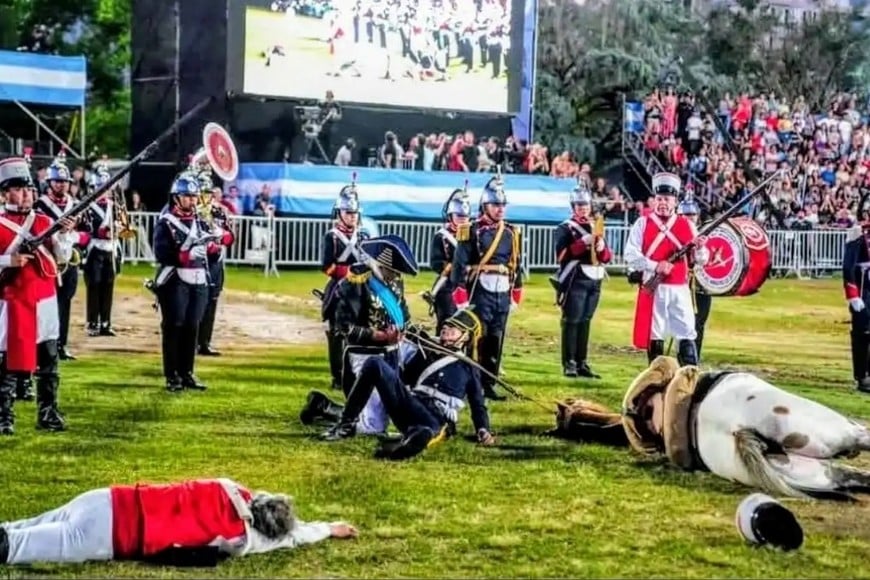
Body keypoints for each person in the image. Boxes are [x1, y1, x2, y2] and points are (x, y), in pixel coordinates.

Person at [562, 356, 870, 501]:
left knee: (842, 461)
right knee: (849, 441)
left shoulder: (657, 432)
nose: (654, 422)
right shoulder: (677, 410)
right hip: (729, 401)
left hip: (708, 444)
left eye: (652, 413)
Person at [0, 477, 358, 566]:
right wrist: (328, 528)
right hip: (112, 535)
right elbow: (290, 538)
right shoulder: (241, 537)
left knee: (22, 526)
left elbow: (258, 499)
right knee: (15, 547)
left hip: (109, 498)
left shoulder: (228, 486)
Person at [307, 308, 496, 458]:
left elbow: (478, 405)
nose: (445, 331)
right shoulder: (425, 350)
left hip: (435, 415)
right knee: (375, 364)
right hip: (409, 403)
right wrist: (395, 343)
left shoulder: (469, 367)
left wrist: (483, 429)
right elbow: (398, 374)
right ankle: (345, 424)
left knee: (426, 429)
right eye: (445, 328)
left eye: (452, 330)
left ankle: (405, 445)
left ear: (465, 337)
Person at [0, 157, 76, 435]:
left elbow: (63, 257)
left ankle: (48, 412)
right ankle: (3, 416)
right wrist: (10, 261)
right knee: (6, 362)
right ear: (4, 193)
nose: (26, 195)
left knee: (49, 360)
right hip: (12, 301)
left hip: (44, 300)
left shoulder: (43, 221)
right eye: (19, 189)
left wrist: (65, 234)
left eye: (29, 189)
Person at [319, 234, 417, 438]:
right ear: (379, 264)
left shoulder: (396, 278)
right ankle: (324, 409)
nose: (394, 276)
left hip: (392, 351)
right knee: (373, 428)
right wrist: (379, 336)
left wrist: (405, 329)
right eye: (391, 270)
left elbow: (402, 308)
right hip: (364, 353)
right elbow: (343, 327)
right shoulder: (358, 279)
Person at [450, 175, 523, 400]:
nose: (500, 209)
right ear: (485, 206)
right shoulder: (470, 230)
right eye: (495, 205)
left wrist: (516, 293)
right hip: (479, 290)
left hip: (502, 290)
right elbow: (459, 264)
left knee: (495, 339)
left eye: (503, 205)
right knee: (475, 338)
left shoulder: (511, 232)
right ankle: (469, 382)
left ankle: (488, 383)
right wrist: (460, 293)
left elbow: (516, 264)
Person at [152, 173, 227, 392]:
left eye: (194, 196)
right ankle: (172, 375)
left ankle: (187, 373)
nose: (192, 200)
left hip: (199, 279)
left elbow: (210, 255)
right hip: (175, 279)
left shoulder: (201, 221)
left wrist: (215, 248)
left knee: (192, 327)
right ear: (176, 198)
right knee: (174, 326)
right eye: (187, 196)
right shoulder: (166, 222)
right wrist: (181, 255)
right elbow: (161, 252)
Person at [624, 172, 709, 365]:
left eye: (667, 199)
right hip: (655, 288)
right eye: (659, 198)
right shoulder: (642, 223)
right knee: (655, 333)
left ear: (675, 201)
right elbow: (630, 254)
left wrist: (701, 248)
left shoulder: (687, 224)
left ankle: (689, 376)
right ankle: (657, 379)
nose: (662, 203)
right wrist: (655, 265)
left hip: (680, 288)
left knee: (687, 331)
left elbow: (701, 260)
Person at [551, 181, 612, 378]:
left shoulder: (595, 226)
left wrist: (602, 249)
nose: (583, 208)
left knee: (585, 321)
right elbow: (561, 255)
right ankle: (569, 362)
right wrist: (581, 243)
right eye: (579, 205)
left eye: (585, 205)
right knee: (572, 320)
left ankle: (582, 362)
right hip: (576, 278)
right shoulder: (565, 228)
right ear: (573, 207)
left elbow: (606, 258)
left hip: (595, 278)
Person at [33, 158, 84, 361]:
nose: (62, 184)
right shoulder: (40, 205)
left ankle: (62, 344)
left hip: (68, 260)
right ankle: (44, 345)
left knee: (65, 303)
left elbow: (87, 232)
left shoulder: (76, 205)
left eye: (65, 181)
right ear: (50, 183)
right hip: (47, 262)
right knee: (44, 305)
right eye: (57, 181)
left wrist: (72, 236)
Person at [320, 183, 369, 390]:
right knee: (336, 334)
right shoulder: (331, 236)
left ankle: (356, 372)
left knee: (360, 333)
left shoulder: (364, 236)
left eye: (355, 213)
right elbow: (327, 266)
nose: (352, 217)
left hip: (361, 289)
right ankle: (337, 375)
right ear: (339, 213)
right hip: (340, 288)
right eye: (348, 213)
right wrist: (347, 273)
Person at [79, 166, 118, 337]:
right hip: (94, 248)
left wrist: (118, 229)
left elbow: (121, 223)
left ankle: (106, 322)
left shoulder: (113, 206)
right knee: (94, 285)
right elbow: (83, 227)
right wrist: (98, 232)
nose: (105, 192)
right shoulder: (88, 206)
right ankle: (92, 322)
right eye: (102, 188)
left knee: (108, 285)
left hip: (110, 248)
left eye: (107, 188)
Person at [198, 186, 236, 357]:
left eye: (209, 194)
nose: (207, 197)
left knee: (212, 303)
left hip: (216, 264)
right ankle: (191, 341)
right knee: (196, 303)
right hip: (198, 263)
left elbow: (229, 234)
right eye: (204, 193)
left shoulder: (219, 212)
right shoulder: (193, 212)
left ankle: (205, 342)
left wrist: (225, 237)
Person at [427, 187, 470, 333]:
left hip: (468, 284)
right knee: (447, 323)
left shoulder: (474, 235)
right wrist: (453, 266)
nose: (462, 219)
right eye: (459, 216)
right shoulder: (441, 236)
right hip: (448, 286)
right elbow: (435, 263)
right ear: (450, 216)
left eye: (465, 217)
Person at [677, 193, 712, 362]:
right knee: (682, 323)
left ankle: (694, 359)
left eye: (693, 215)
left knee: (699, 323)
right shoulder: (675, 234)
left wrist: (701, 247)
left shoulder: (704, 234)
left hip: (702, 284)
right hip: (681, 283)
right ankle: (683, 357)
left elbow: (705, 259)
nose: (690, 218)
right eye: (686, 215)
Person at [843, 191, 870, 393]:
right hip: (862, 288)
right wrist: (852, 295)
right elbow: (848, 266)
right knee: (861, 334)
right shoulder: (857, 232)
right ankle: (862, 376)